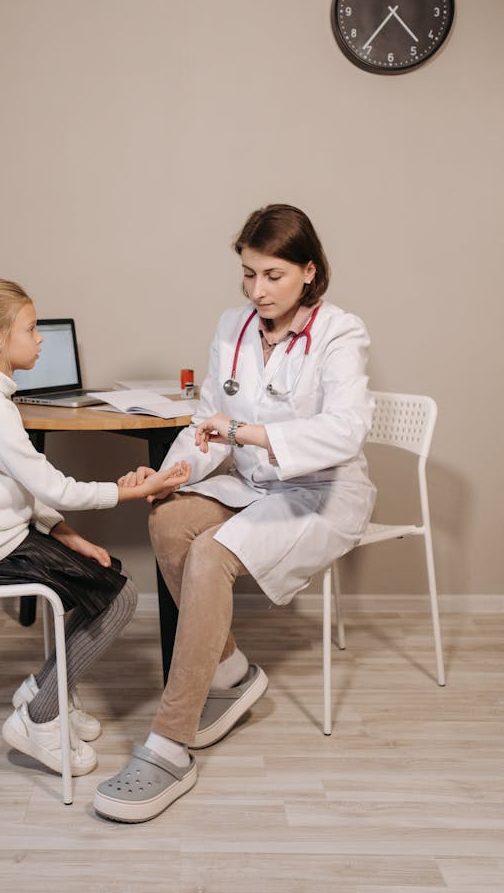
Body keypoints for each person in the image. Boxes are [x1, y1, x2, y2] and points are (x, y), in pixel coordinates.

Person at [93, 204, 376, 823]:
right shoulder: (233, 327)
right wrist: (169, 475)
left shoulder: (340, 333)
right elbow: (205, 424)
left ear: (309, 270)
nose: (257, 290)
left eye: (272, 275)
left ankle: (169, 743)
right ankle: (233, 671)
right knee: (168, 520)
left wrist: (243, 432)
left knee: (211, 555)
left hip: (323, 493)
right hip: (257, 487)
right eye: (248, 274)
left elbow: (346, 431)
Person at [0, 278, 190, 778]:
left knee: (105, 573)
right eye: (31, 327)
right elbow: (57, 488)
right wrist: (138, 491)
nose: (40, 338)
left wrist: (69, 536)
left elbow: (26, 492)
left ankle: (45, 689)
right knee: (122, 597)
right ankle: (38, 718)